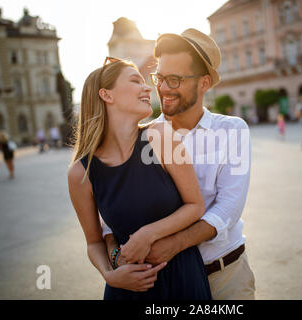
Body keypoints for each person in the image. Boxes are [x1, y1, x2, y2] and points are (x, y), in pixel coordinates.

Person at [102, 28, 256, 300]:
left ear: (204, 83)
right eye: (159, 78)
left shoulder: (232, 130)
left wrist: (174, 244)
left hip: (225, 276)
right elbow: (112, 210)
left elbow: (229, 207)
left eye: (174, 80)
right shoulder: (141, 137)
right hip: (165, 283)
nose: (162, 88)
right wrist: (116, 256)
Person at [67, 57, 211, 300]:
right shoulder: (80, 173)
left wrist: (148, 234)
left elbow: (195, 206)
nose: (148, 88)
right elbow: (93, 243)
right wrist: (110, 274)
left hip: (181, 279)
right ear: (106, 95)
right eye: (136, 81)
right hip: (125, 288)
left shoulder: (161, 136)